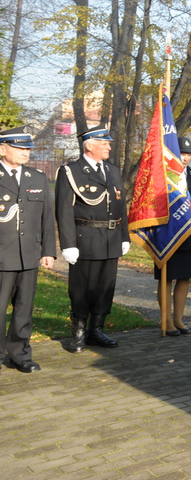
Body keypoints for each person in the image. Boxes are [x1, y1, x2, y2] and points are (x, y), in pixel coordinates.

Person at [55, 126, 131, 352]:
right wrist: (68, 244)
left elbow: (120, 206)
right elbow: (64, 211)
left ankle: (96, 330)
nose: (109, 147)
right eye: (104, 143)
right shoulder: (71, 171)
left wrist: (124, 236)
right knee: (82, 288)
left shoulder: (112, 171)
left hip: (111, 238)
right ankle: (79, 332)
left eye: (109, 143)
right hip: (86, 238)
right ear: (89, 145)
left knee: (105, 286)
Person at [0, 127, 56, 372]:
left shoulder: (37, 178)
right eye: (19, 148)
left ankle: (20, 353)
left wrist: (48, 251)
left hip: (28, 255)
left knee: (24, 308)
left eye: (27, 148)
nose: (26, 152)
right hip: (2, 254)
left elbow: (46, 218)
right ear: (2, 149)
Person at [154, 137, 191, 336]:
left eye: (188, 154)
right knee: (167, 278)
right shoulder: (162, 176)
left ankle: (179, 319)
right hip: (168, 235)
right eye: (182, 154)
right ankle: (167, 320)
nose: (185, 158)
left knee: (185, 277)